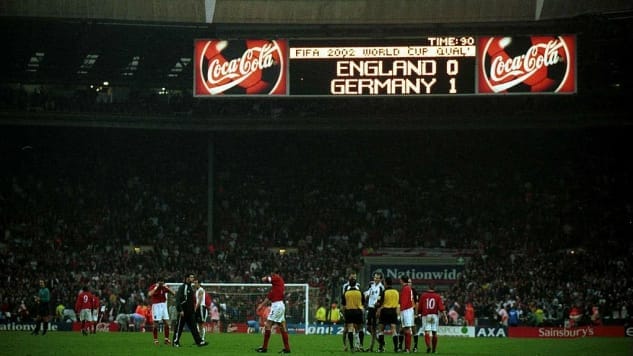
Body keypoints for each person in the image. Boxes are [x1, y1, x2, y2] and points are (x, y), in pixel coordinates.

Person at [255, 269, 291, 354]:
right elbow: (268, 298)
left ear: (276, 274)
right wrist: (261, 305)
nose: (272, 276)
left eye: (273, 274)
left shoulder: (278, 278)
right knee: (282, 326)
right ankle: (287, 348)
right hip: (279, 306)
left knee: (268, 324)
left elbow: (265, 279)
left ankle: (264, 348)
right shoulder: (275, 288)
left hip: (277, 306)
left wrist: (265, 278)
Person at [172, 273, 208, 347]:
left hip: (190, 312)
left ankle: (199, 342)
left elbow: (190, 301)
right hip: (183, 311)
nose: (193, 279)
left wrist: (192, 311)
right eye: (191, 277)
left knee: (194, 327)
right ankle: (175, 342)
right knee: (179, 327)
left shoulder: (190, 288)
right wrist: (180, 310)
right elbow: (178, 300)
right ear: (187, 278)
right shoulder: (182, 287)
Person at [418, 283, 447, 354]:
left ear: (428, 287)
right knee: (434, 333)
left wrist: (419, 313)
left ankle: (428, 346)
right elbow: (441, 308)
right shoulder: (437, 296)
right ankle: (434, 349)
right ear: (434, 288)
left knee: (427, 332)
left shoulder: (423, 295)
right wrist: (445, 316)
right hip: (434, 315)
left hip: (426, 315)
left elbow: (420, 306)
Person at [148, 277, 176, 345]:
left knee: (166, 323)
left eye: (163, 282)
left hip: (163, 305)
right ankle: (155, 339)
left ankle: (166, 339)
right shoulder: (153, 286)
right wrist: (156, 287)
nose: (162, 283)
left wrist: (167, 288)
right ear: (158, 282)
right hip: (156, 305)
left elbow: (174, 293)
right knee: (156, 323)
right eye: (160, 282)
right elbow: (149, 294)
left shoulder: (164, 287)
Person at [376, 277, 399, 353]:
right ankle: (396, 348)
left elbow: (379, 303)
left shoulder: (384, 292)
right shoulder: (396, 292)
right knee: (394, 330)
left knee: (381, 329)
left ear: (385, 283)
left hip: (385, 311)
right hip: (393, 312)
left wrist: (377, 306)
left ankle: (381, 347)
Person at [342, 274, 364, 352]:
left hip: (349, 311)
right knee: (360, 328)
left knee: (350, 329)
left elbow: (343, 304)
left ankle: (351, 347)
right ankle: (360, 345)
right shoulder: (360, 292)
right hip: (358, 311)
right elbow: (363, 302)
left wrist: (344, 312)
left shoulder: (346, 293)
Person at [364, 272, 384, 352]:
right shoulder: (372, 285)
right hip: (370, 308)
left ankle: (372, 347)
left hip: (376, 309)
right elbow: (367, 293)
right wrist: (366, 295)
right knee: (369, 328)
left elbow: (380, 298)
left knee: (374, 328)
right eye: (375, 277)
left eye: (378, 278)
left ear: (381, 279)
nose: (376, 279)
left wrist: (378, 308)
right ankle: (380, 343)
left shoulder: (381, 287)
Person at [398, 276, 415, 353]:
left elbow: (404, 301)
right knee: (406, 329)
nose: (399, 281)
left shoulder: (406, 288)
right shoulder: (407, 288)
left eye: (400, 280)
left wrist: (400, 311)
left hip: (406, 310)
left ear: (402, 280)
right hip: (407, 310)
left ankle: (407, 348)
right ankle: (406, 348)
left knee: (407, 329)